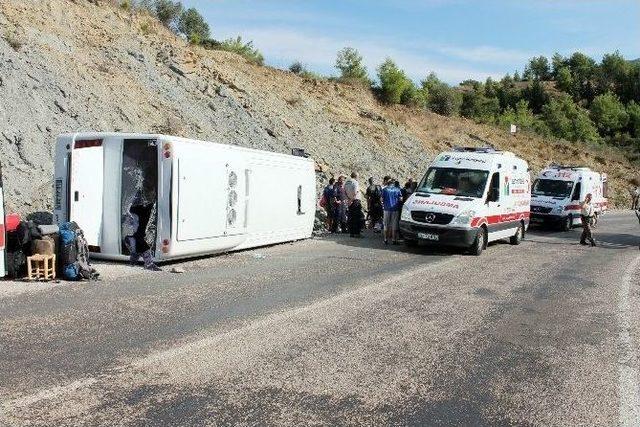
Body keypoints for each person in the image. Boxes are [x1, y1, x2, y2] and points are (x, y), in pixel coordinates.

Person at [124, 202, 162, 270]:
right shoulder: (139, 204)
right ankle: (147, 263)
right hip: (138, 210)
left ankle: (137, 260)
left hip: (141, 209)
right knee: (139, 237)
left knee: (139, 237)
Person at [381, 177, 403, 245]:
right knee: (394, 225)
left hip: (387, 209)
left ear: (388, 183)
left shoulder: (385, 190)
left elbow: (381, 199)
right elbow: (401, 199)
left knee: (386, 225)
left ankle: (385, 240)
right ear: (393, 184)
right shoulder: (397, 189)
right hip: (395, 209)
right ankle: (393, 240)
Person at [345, 172, 364, 237]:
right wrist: (352, 199)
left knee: (351, 217)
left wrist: (349, 199)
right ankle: (357, 233)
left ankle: (352, 233)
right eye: (358, 176)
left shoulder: (347, 182)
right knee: (357, 217)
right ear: (356, 176)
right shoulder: (355, 182)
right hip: (355, 201)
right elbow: (356, 192)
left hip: (349, 201)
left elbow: (344, 192)